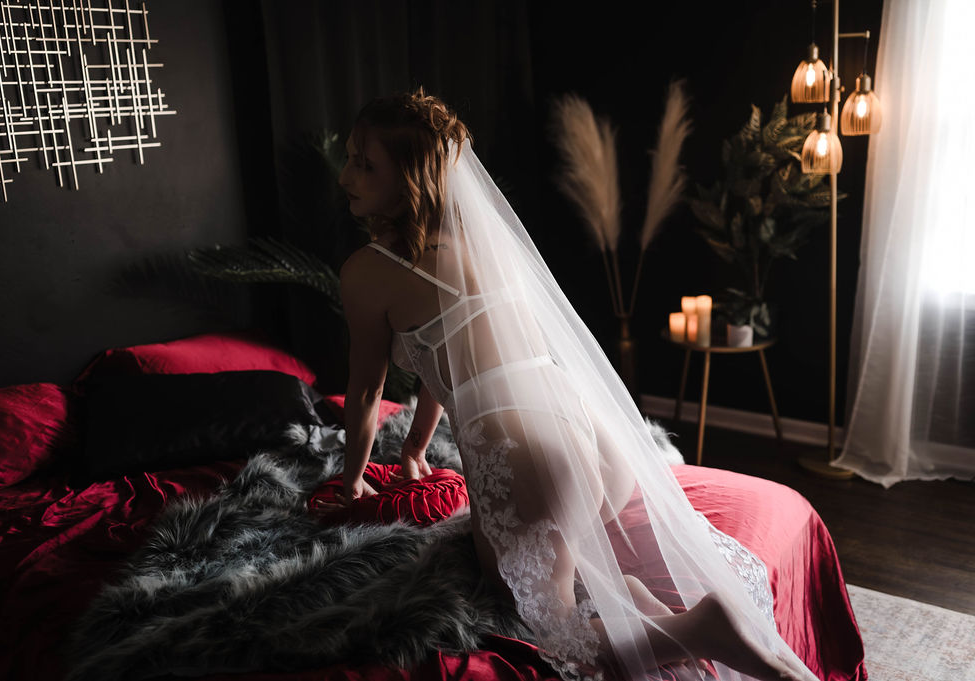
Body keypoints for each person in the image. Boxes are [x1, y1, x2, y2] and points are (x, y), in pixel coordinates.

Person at [328, 88, 819, 681]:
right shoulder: (485, 247)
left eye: (365, 163)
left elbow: (363, 393)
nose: (346, 173)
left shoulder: (369, 272)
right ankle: (641, 607)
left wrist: (353, 480)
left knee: (547, 630)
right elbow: (447, 360)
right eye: (352, 156)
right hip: (586, 431)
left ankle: (703, 627)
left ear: (408, 178)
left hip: (523, 455)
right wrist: (413, 448)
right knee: (581, 576)